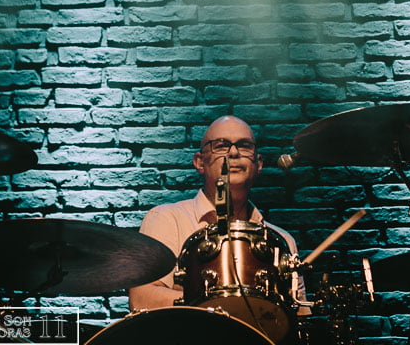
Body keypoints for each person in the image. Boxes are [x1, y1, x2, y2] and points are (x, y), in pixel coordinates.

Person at [129, 115, 308, 315]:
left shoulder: (282, 240)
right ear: (200, 162)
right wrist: (220, 306)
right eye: (221, 146)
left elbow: (300, 318)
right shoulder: (167, 219)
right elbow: (141, 299)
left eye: (244, 146)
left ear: (258, 164)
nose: (234, 152)